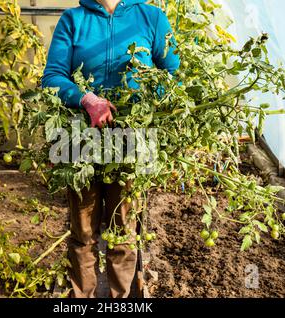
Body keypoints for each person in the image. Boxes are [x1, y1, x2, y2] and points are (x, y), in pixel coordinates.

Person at [42, 0, 180, 298]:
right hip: (79, 137)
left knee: (124, 232)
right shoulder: (74, 19)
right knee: (83, 232)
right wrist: (84, 98)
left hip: (131, 137)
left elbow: (173, 74)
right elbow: (52, 77)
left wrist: (140, 99)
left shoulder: (151, 18)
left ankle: (123, 298)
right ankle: (81, 298)